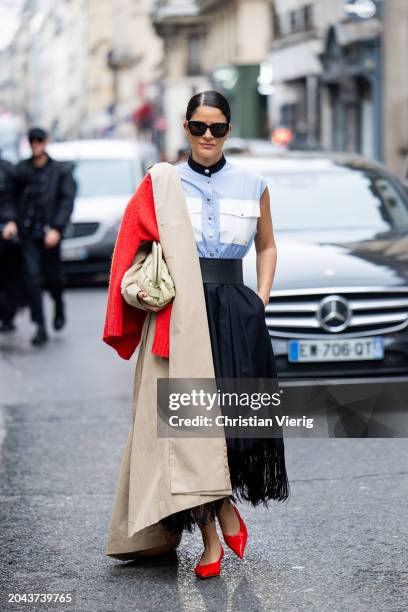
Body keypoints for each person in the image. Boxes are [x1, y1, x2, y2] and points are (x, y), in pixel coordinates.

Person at [102, 90, 289, 578]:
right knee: (188, 429)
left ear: (229, 129)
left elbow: (267, 247)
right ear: (185, 128)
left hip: (237, 314)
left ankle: (224, 509)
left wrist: (260, 301)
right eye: (200, 127)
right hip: (179, 317)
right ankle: (212, 533)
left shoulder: (254, 183)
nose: (209, 136)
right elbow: (131, 248)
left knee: (231, 426)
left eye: (219, 128)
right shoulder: (162, 182)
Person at [3, 127, 77, 346]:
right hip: (27, 235)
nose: (35, 144)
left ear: (46, 142)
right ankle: (40, 326)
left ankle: (58, 303)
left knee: (53, 277)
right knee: (32, 279)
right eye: (32, 140)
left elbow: (66, 201)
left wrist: (57, 228)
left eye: (39, 140)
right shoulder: (20, 170)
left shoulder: (59, 171)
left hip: (50, 234)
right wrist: (11, 220)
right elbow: (9, 197)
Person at [0, 148, 22, 331]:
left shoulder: (8, 170)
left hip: (6, 232)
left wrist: (11, 220)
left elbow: (13, 199)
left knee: (8, 275)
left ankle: (7, 315)